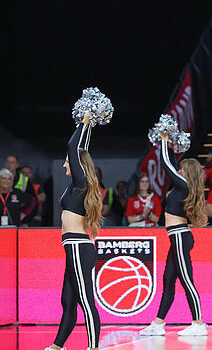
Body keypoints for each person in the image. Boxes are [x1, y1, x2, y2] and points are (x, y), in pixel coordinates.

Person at [139, 131, 208, 337]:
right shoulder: (183, 186)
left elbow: (167, 166)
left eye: (182, 169)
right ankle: (158, 323)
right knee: (169, 279)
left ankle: (199, 323)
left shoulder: (184, 186)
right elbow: (170, 163)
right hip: (176, 237)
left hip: (179, 236)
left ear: (188, 173)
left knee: (187, 280)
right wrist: (167, 144)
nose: (178, 170)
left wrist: (163, 140)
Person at [48, 115, 103, 350]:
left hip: (79, 247)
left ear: (77, 165)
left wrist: (84, 120)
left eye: (67, 162)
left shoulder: (81, 183)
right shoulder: (75, 185)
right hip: (73, 248)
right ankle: (57, 346)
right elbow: (81, 148)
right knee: (68, 300)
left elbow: (74, 148)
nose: (64, 165)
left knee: (85, 300)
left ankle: (93, 347)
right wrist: (88, 126)